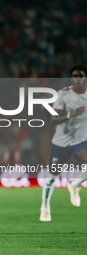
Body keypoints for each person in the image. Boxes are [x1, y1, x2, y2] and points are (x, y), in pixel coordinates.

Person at [40, 65, 87, 222]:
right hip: (61, 143)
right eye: (75, 75)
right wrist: (71, 115)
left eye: (81, 75)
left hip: (80, 140)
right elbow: (54, 120)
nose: (78, 78)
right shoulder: (64, 94)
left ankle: (74, 185)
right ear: (71, 78)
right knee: (52, 177)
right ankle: (45, 206)